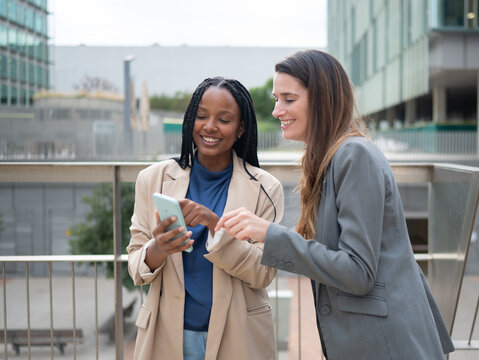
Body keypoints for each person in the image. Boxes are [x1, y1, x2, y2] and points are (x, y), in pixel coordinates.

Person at [216, 50, 455, 360]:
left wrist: (270, 234)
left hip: (387, 345)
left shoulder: (355, 156)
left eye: (288, 99)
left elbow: (357, 271)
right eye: (277, 99)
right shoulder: (330, 158)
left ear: (322, 99)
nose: (277, 110)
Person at [127, 76, 284, 360]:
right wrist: (159, 248)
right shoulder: (153, 179)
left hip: (238, 335)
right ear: (190, 121)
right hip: (168, 335)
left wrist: (215, 224)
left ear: (241, 128)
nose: (210, 126)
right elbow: (136, 268)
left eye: (224, 119)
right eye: (201, 116)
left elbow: (263, 274)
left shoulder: (265, 188)